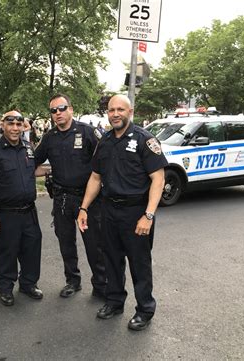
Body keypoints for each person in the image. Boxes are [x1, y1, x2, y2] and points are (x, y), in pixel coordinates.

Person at [77, 94, 167, 331]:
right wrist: (84, 207)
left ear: (130, 112)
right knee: (111, 260)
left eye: (120, 109)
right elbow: (96, 177)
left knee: (139, 263)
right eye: (111, 110)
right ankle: (115, 301)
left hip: (136, 211)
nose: (115, 114)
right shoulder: (104, 141)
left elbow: (158, 179)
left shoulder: (144, 140)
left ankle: (145, 309)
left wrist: (148, 215)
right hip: (108, 210)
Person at [34, 94, 107, 299]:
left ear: (71, 109)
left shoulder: (88, 132)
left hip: (88, 200)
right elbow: (34, 162)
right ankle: (72, 281)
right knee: (66, 243)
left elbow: (105, 162)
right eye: (53, 110)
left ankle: (101, 285)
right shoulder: (49, 137)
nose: (58, 113)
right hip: (62, 198)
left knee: (94, 244)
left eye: (62, 108)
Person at [0, 111, 43, 307]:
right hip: (6, 212)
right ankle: (5, 287)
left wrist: (57, 170)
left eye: (19, 124)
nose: (15, 128)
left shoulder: (28, 148)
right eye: (11, 124)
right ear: (2, 125)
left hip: (29, 211)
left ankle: (28, 283)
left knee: (32, 248)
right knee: (7, 252)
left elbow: (32, 170)